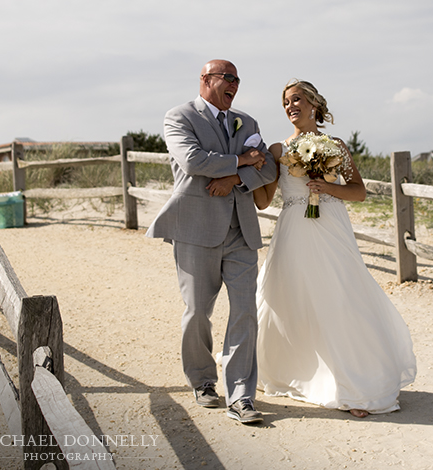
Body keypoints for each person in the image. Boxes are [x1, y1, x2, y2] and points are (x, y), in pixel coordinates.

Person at [253, 79, 416, 418]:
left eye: (296, 99)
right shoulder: (277, 151)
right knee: (289, 299)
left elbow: (358, 192)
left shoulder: (336, 145)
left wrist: (326, 186)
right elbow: (265, 202)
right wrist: (253, 171)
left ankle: (355, 386)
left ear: (313, 104)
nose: (290, 106)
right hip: (293, 230)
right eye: (285, 102)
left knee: (340, 298)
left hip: (330, 228)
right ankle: (295, 372)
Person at [146, 59, 278, 425]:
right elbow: (191, 161)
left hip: (241, 231)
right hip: (195, 229)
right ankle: (203, 380)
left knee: (245, 312)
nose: (234, 84)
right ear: (205, 80)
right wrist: (240, 161)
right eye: (228, 78)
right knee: (197, 313)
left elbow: (267, 168)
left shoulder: (247, 122)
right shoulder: (180, 117)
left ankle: (241, 396)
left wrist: (234, 180)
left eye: (238, 79)